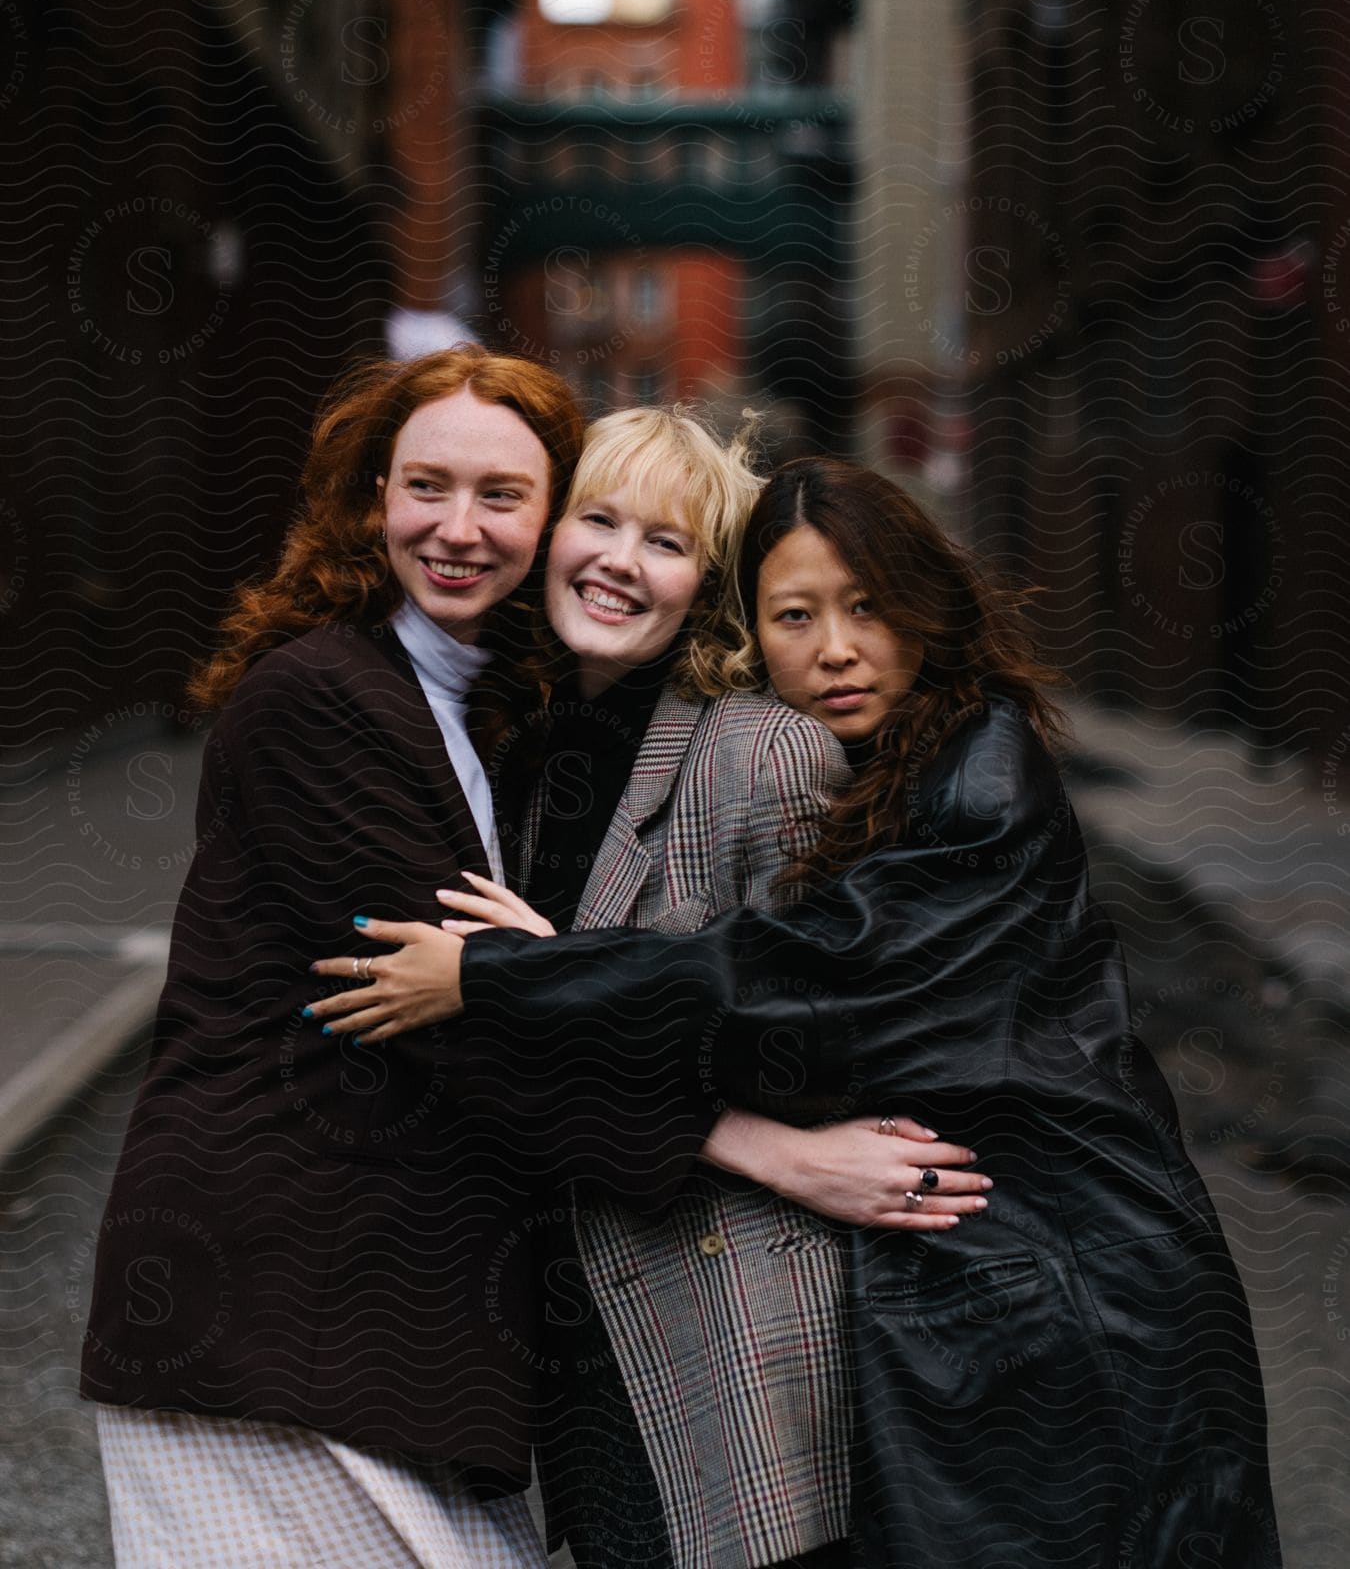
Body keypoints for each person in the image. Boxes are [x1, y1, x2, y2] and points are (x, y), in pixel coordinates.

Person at [318, 458, 1282, 1568]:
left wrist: (504, 975)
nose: (836, 647)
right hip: (975, 1267)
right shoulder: (871, 765)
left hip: (1068, 1288)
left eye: (869, 606)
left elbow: (801, 980)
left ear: (930, 603)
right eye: (795, 614)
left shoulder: (980, 774)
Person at [309, 420, 992, 1569]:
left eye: (667, 541)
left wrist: (544, 976)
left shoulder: (760, 750)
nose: (622, 559)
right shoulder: (512, 755)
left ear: (705, 586)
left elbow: (813, 1043)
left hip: (721, 1317)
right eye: (599, 519)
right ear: (552, 535)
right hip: (575, 1302)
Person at [80, 346, 589, 1567]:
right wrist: (774, 1149)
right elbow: (477, 1020)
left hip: (377, 1322)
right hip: (272, 1303)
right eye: (427, 486)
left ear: (558, 516)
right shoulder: (319, 700)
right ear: (371, 498)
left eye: (503, 495)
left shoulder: (497, 709)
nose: (458, 528)